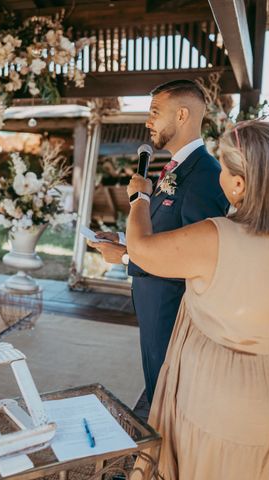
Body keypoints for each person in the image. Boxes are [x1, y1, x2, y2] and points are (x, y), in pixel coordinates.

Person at [127, 121, 269, 480]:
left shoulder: (215, 237)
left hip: (215, 399)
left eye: (222, 166)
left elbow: (141, 251)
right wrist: (266, 368)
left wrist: (140, 198)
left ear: (238, 184)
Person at [88, 80, 228, 403]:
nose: (148, 122)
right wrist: (123, 240)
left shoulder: (205, 175)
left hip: (174, 311)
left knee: (170, 399)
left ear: (181, 115)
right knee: (156, 393)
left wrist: (125, 259)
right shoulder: (176, 167)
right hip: (154, 308)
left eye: (154, 112)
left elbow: (192, 258)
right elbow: (169, 233)